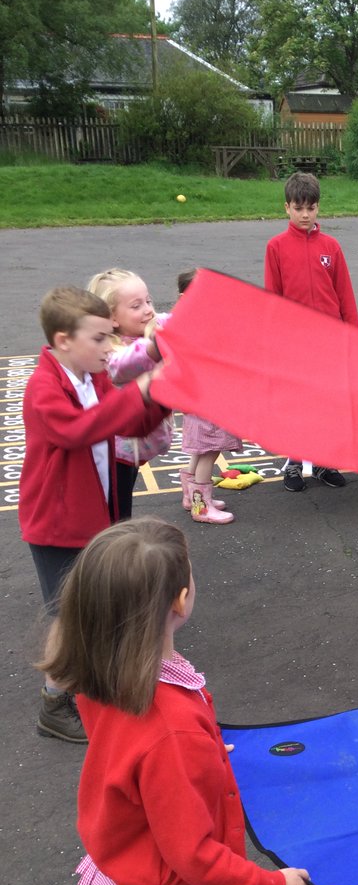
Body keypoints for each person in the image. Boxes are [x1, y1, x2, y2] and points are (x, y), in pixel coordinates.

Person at [44, 518, 311, 885]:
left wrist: (200, 756)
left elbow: (140, 769)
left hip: (122, 875)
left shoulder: (107, 673)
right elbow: (193, 855)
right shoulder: (169, 725)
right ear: (181, 599)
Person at [19, 286, 168, 743]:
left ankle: (92, 688)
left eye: (110, 337)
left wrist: (162, 394)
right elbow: (78, 430)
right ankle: (54, 702)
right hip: (57, 523)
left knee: (95, 606)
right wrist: (141, 387)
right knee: (69, 614)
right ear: (63, 340)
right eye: (99, 339)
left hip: (94, 511)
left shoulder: (92, 375)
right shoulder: (45, 387)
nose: (110, 348)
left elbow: (120, 422)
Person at [264, 171, 358, 492]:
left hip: (330, 341)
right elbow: (272, 298)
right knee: (299, 405)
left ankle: (322, 462)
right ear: (286, 208)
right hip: (295, 345)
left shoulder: (331, 246)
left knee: (328, 404)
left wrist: (353, 337)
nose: (306, 214)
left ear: (318, 208)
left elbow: (344, 294)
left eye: (312, 208)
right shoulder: (275, 247)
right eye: (299, 208)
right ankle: (293, 464)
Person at [87, 269, 175, 521]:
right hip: (117, 451)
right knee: (116, 509)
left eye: (148, 301)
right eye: (136, 306)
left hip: (136, 447)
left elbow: (172, 320)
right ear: (112, 318)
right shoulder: (111, 350)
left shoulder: (148, 327)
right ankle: (111, 550)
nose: (148, 309)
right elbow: (124, 364)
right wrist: (154, 347)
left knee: (120, 502)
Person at [174, 268, 240, 525]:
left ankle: (192, 496)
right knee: (209, 450)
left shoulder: (191, 319)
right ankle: (201, 506)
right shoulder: (196, 322)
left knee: (199, 449)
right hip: (207, 397)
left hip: (198, 395)